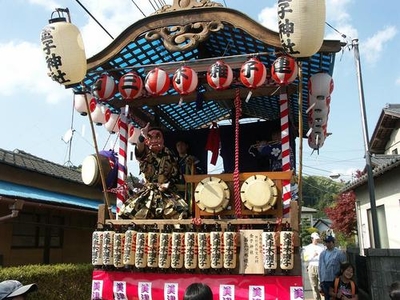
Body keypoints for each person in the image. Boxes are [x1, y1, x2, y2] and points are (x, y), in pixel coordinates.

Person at [118, 123, 188, 219]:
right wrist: (142, 136)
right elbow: (139, 149)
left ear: (163, 140)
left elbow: (176, 174)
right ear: (147, 141)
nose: (154, 140)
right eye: (150, 137)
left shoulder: (170, 154)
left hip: (167, 193)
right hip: (147, 193)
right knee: (129, 213)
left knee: (182, 212)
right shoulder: (145, 154)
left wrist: (168, 184)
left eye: (158, 137)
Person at [318, 235, 347, 300]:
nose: (328, 244)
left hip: (335, 279)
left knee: (335, 297)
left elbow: (344, 266)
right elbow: (320, 267)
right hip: (325, 280)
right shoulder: (322, 253)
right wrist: (320, 281)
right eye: (327, 242)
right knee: (327, 297)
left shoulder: (339, 253)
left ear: (333, 242)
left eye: (330, 242)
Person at [303, 232, 325, 300]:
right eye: (315, 239)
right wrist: (313, 255)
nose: (317, 240)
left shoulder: (322, 246)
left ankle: (324, 297)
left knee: (322, 284)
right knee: (314, 285)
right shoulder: (307, 247)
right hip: (312, 266)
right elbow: (305, 258)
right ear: (312, 239)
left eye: (317, 239)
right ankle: (317, 298)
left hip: (321, 266)